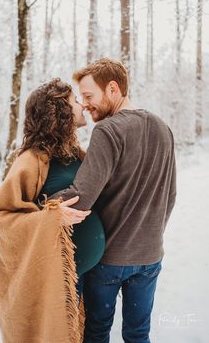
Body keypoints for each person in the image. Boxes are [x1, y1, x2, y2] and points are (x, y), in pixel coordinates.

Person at [50, 58, 177, 343]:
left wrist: (40, 204)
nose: (85, 104)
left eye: (89, 96)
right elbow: (170, 194)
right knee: (138, 334)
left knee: (95, 333)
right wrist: (150, 236)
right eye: (81, 98)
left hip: (109, 260)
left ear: (112, 89)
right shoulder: (163, 127)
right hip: (150, 258)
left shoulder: (107, 131)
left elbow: (80, 198)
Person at [0, 78, 105, 343]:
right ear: (59, 113)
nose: (82, 106)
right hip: (56, 281)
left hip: (89, 277)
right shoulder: (31, 160)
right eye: (75, 102)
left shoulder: (76, 154)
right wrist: (51, 218)